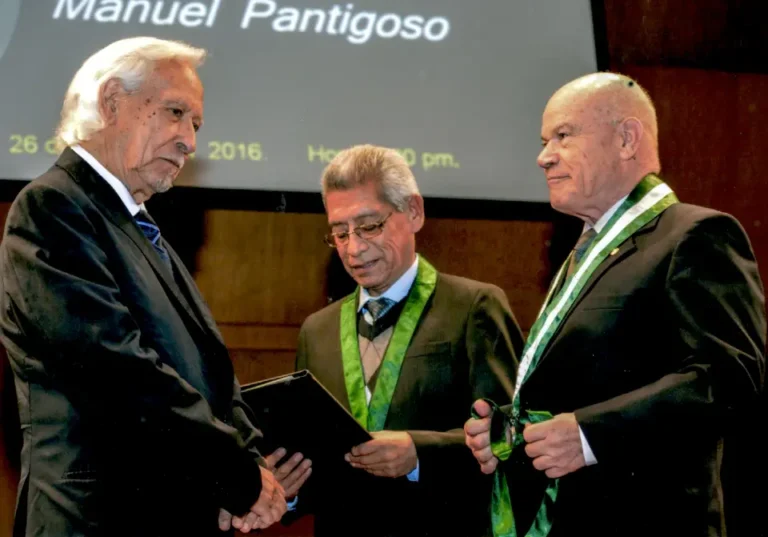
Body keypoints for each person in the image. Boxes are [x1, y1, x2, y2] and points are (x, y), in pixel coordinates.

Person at [0, 37, 286, 537]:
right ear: (112, 102)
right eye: (175, 112)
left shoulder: (141, 228)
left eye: (195, 124)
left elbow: (211, 373)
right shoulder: (53, 208)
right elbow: (114, 369)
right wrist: (238, 477)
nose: (189, 141)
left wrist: (250, 467)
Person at [464, 72, 766, 537]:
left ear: (626, 139)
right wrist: (509, 435)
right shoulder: (585, 250)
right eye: (545, 141)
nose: (543, 157)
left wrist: (589, 436)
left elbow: (729, 380)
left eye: (563, 136)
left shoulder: (696, 235)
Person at [268, 144, 523, 536]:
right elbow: (318, 461)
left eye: (370, 226)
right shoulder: (316, 331)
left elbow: (511, 438)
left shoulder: (474, 307)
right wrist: (287, 491)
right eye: (340, 233)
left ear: (414, 212)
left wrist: (419, 454)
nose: (354, 249)